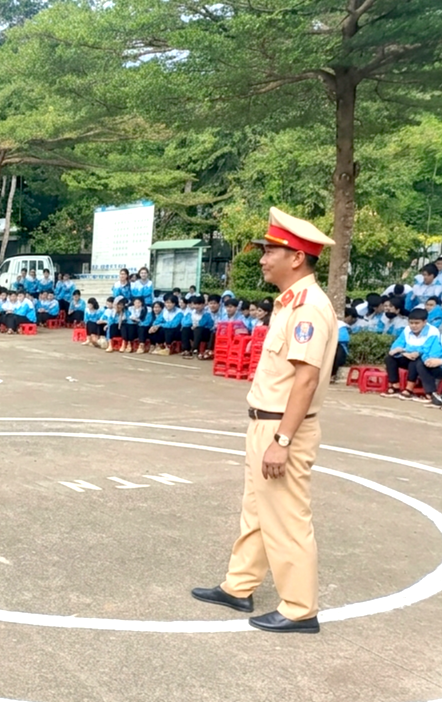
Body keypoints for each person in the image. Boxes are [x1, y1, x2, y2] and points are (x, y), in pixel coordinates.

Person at [191, 207, 337, 634]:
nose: (262, 258)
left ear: (297, 257)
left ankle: (299, 609)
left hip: (282, 426)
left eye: (271, 250)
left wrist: (283, 440)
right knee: (256, 509)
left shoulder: (309, 308)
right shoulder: (289, 303)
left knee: (287, 517)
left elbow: (306, 379)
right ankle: (239, 586)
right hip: (266, 422)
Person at [381, 308, 440, 401]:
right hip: (407, 355)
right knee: (390, 358)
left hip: (422, 358)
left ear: (424, 322)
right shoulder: (407, 330)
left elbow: (426, 349)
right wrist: (405, 353)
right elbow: (396, 346)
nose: (413, 326)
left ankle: (409, 389)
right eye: (411, 323)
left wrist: (406, 350)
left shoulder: (433, 332)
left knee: (415, 361)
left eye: (417, 323)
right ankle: (395, 386)